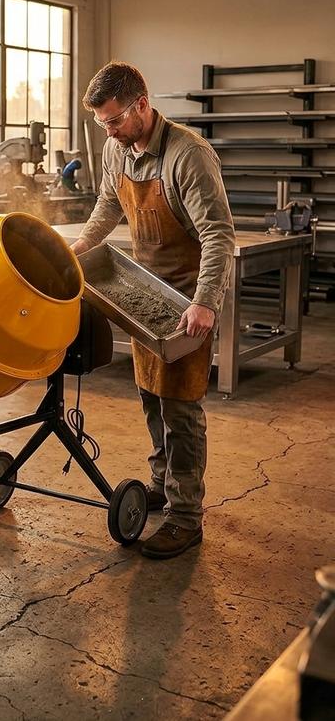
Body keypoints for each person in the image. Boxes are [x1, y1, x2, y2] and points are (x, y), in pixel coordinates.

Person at [72, 61, 235, 559]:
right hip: (144, 295)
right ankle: (162, 485)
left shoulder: (189, 155)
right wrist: (80, 246)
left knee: (181, 409)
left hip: (186, 302)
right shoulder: (115, 149)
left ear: (142, 104)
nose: (111, 132)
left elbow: (218, 234)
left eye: (116, 120)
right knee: (150, 396)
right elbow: (108, 204)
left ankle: (186, 517)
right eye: (103, 124)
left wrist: (205, 303)